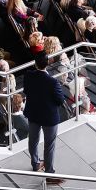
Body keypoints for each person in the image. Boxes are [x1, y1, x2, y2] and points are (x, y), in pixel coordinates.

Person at [23, 51, 67, 182]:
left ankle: (35, 163)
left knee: (33, 140)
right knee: (49, 145)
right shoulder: (52, 82)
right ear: (47, 63)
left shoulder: (28, 76)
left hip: (33, 113)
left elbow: (26, 91)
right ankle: (49, 174)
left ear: (35, 63)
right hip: (49, 117)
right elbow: (60, 100)